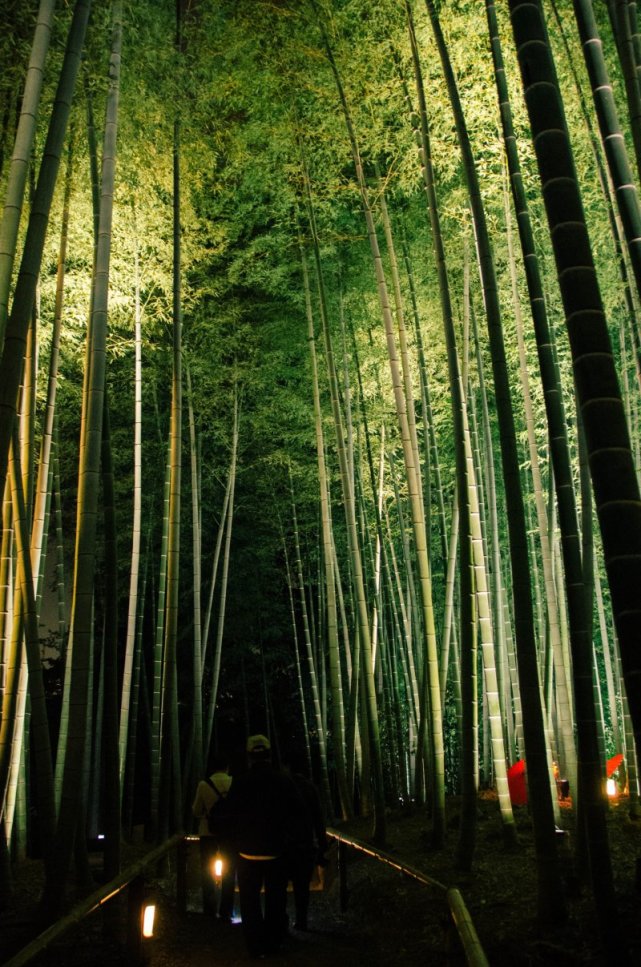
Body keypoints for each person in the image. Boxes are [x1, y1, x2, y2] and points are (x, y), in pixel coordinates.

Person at [226, 734, 306, 959]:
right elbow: (298, 813)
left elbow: (229, 815)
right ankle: (272, 944)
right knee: (275, 899)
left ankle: (254, 946)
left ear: (249, 757)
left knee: (249, 902)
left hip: (246, 852)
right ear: (269, 755)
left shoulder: (240, 782)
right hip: (276, 852)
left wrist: (237, 839)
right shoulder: (283, 780)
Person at [283, 754, 329, 931]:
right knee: (302, 886)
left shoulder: (284, 787)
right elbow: (318, 818)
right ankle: (301, 920)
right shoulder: (310, 788)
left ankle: (283, 920)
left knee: (281, 884)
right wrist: (322, 844)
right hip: (305, 843)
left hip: (285, 844)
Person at [192, 756, 236, 921]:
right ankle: (227, 909)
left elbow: (196, 811)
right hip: (229, 834)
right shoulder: (233, 782)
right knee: (230, 871)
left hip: (207, 832)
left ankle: (209, 909)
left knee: (207, 870)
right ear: (227, 767)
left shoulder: (204, 785)